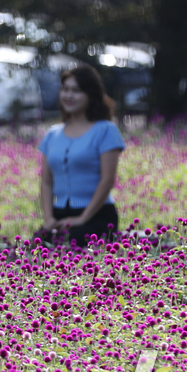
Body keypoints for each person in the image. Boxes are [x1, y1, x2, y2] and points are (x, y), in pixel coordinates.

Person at [35, 64, 125, 247]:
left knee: (72, 244)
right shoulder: (52, 134)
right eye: (65, 89)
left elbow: (107, 180)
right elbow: (46, 181)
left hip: (96, 215)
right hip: (59, 215)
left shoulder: (106, 130)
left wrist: (83, 218)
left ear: (91, 95)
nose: (68, 96)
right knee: (37, 247)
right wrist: (49, 218)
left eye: (76, 91)